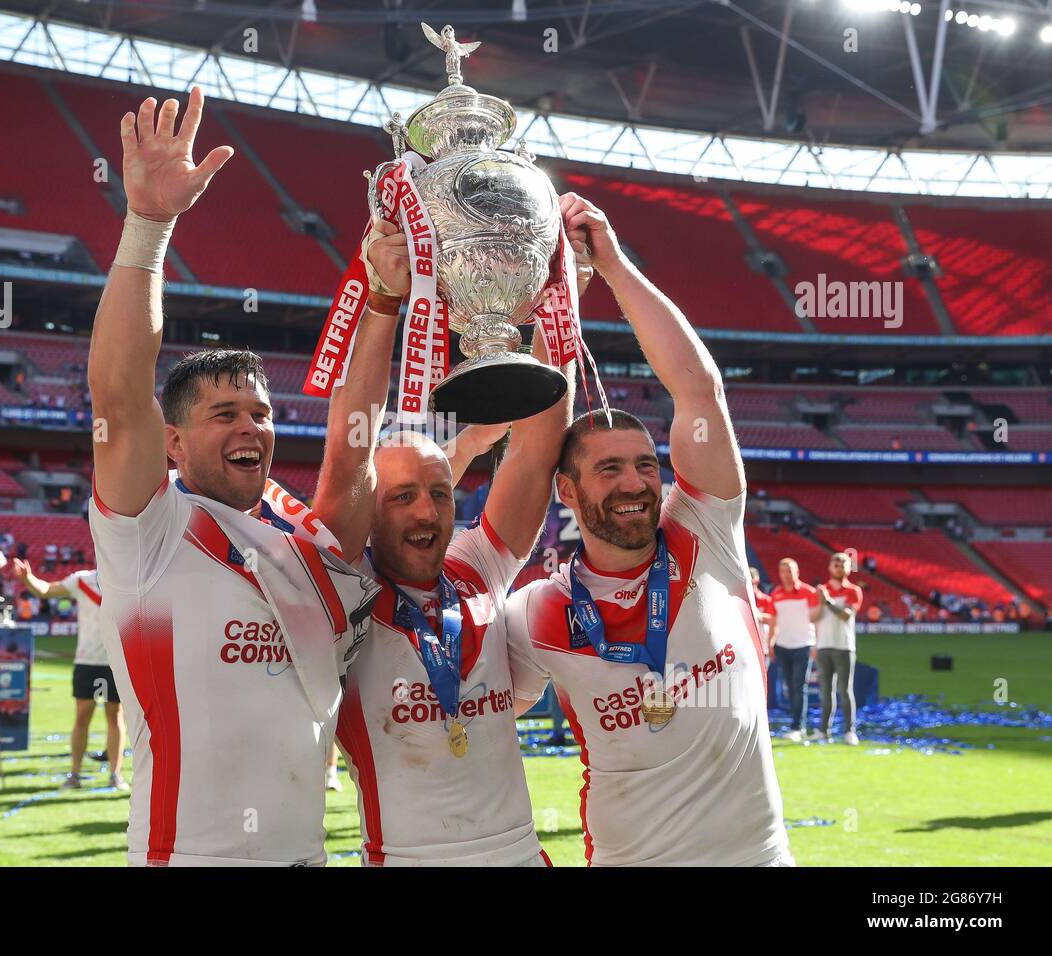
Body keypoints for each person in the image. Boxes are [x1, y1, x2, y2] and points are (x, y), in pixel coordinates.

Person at [86, 89, 377, 866]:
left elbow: (356, 453)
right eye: (224, 415)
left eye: (260, 413)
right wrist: (149, 226)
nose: (250, 427)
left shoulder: (301, 542)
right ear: (173, 443)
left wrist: (382, 300)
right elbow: (118, 393)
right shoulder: (149, 531)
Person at [503, 193, 790, 866]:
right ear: (567, 492)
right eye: (609, 469)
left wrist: (613, 264)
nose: (634, 482)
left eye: (643, 464)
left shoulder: (707, 532)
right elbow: (470, 715)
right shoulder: (539, 612)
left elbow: (699, 393)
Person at [312, 212, 574, 866]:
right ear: (369, 511)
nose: (426, 509)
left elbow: (539, 448)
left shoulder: (477, 570)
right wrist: (382, 300)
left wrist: (552, 306)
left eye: (437, 492)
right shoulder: (340, 600)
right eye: (401, 496)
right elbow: (349, 456)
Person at [10, 558, 128, 791]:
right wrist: (27, 579)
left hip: (117, 661)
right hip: (87, 660)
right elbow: (46, 590)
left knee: (115, 717)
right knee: (82, 716)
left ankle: (115, 774)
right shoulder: (82, 580)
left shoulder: (128, 579)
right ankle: (74, 774)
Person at [812, 552, 862, 745]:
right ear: (829, 566)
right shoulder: (821, 590)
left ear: (849, 568)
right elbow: (813, 617)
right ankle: (823, 730)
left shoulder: (854, 590)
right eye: (836, 563)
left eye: (843, 564)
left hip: (844, 646)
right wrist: (821, 603)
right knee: (825, 692)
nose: (839, 567)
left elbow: (845, 616)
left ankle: (850, 731)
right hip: (823, 645)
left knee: (845, 690)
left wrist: (828, 602)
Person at [771, 557, 819, 742]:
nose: (786, 574)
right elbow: (775, 621)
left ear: (797, 572)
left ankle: (798, 727)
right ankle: (796, 723)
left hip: (803, 645)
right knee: (790, 687)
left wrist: (816, 643)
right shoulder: (776, 594)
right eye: (783, 570)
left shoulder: (809, 592)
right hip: (783, 646)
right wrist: (771, 643)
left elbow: (817, 619)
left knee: (800, 686)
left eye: (789, 570)